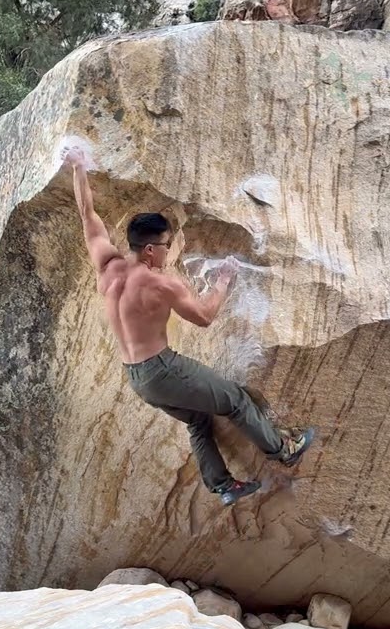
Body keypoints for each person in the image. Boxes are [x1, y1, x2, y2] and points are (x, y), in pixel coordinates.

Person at [63, 142, 315, 507]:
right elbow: (204, 317)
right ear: (150, 250)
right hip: (163, 370)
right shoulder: (161, 283)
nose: (169, 250)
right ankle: (283, 450)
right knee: (235, 401)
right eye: (166, 245)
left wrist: (78, 167)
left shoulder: (108, 267)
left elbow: (88, 215)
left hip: (136, 377)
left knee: (198, 420)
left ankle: (224, 486)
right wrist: (222, 282)